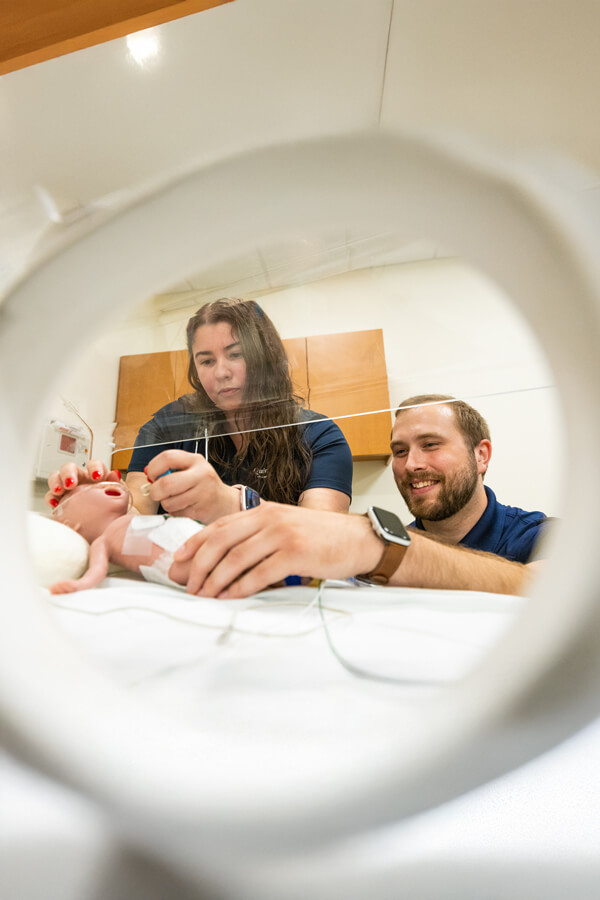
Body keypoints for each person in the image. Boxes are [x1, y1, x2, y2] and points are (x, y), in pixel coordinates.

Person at [171, 396, 550, 599]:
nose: (411, 464)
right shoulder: (394, 549)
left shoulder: (537, 535)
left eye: (430, 445)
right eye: (399, 451)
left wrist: (379, 546)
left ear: (481, 455)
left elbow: (549, 588)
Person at [46, 299, 353, 522]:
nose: (220, 372)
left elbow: (324, 532)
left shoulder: (319, 435)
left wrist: (230, 503)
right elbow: (137, 513)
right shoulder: (168, 425)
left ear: (266, 359)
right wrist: (99, 501)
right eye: (206, 361)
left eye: (236, 355)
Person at [48, 480, 204, 594]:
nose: (103, 484)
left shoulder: (133, 519)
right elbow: (97, 570)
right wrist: (79, 585)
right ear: (72, 525)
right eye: (88, 488)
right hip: (181, 563)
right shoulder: (103, 541)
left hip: (200, 535)